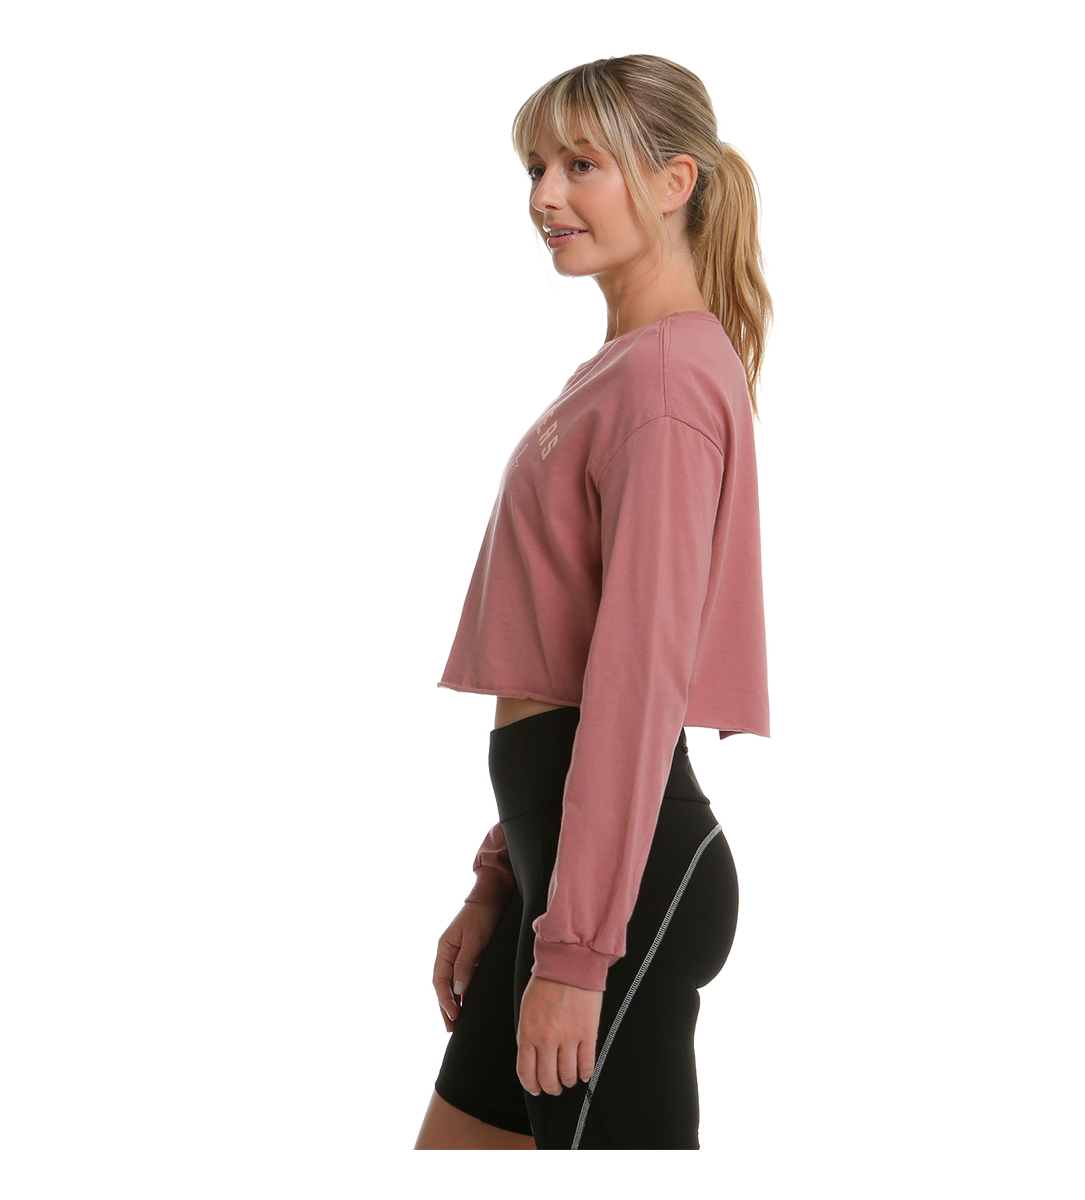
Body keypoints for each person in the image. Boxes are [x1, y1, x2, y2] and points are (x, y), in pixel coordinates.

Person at [414, 53, 773, 1151]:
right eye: (535, 167)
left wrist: (574, 955)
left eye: (581, 164)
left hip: (620, 902)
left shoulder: (663, 385)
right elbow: (567, 669)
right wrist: (503, 879)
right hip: (565, 874)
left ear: (672, 180)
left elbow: (633, 685)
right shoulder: (626, 370)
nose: (544, 196)